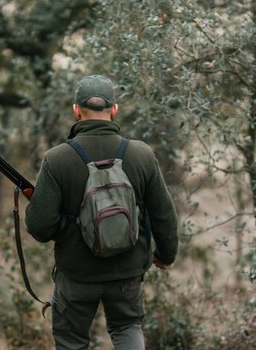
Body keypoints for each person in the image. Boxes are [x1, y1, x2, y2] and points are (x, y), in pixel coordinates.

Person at [25, 74, 179, 349]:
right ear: (114, 109)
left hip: (76, 275)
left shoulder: (57, 159)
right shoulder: (142, 154)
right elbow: (164, 214)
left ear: (76, 110)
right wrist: (165, 255)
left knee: (72, 342)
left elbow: (40, 228)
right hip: (127, 271)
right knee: (127, 328)